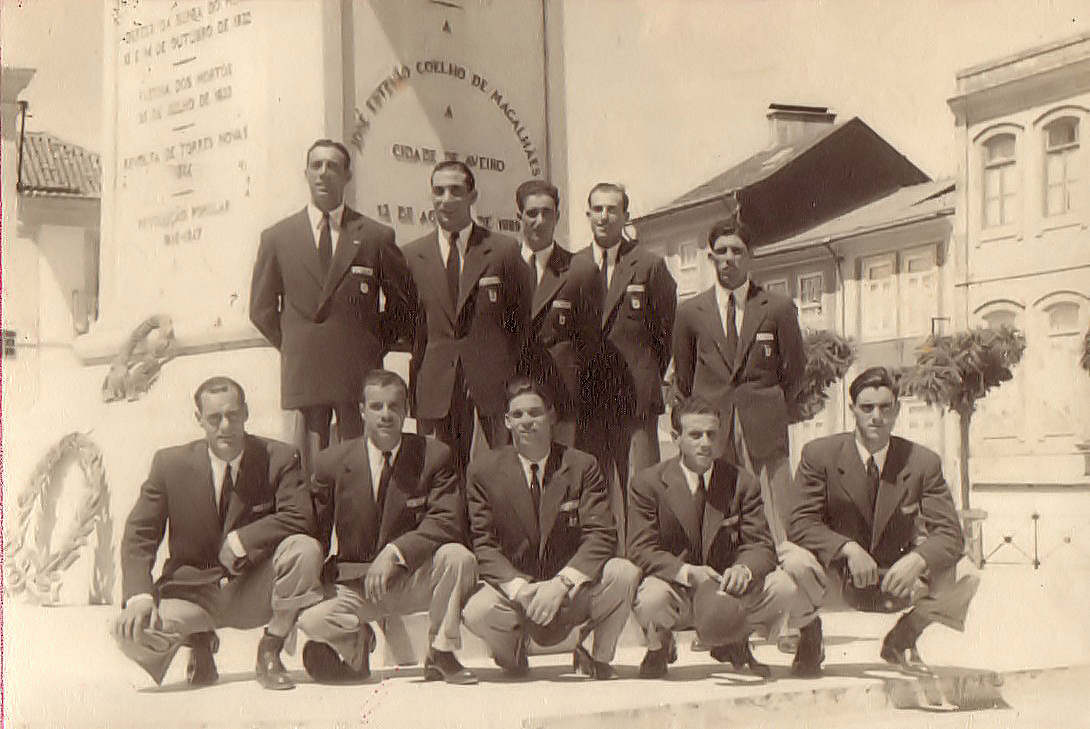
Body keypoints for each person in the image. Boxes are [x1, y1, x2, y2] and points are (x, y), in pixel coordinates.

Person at [113, 377, 324, 690]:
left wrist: (242, 540)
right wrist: (139, 598)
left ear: (246, 413)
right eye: (214, 418)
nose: (225, 426)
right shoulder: (170, 465)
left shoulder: (278, 457)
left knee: (305, 549)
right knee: (130, 633)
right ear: (199, 419)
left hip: (254, 590)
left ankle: (270, 648)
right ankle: (198, 640)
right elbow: (139, 534)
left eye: (233, 415)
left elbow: (302, 517)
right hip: (193, 594)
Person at [787, 367, 980, 677]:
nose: (876, 417)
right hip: (835, 578)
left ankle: (904, 638)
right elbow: (799, 522)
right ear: (852, 410)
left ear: (897, 410)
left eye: (885, 408)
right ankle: (810, 636)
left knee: (966, 573)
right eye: (867, 408)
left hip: (895, 580)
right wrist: (848, 548)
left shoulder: (922, 462)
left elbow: (950, 534)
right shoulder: (819, 455)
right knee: (790, 560)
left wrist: (917, 560)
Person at [295, 370, 478, 685]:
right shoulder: (331, 462)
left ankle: (441, 652)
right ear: (362, 410)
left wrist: (395, 552)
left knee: (459, 557)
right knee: (310, 619)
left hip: (413, 577)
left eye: (394, 406)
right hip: (359, 583)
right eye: (376, 406)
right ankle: (356, 644)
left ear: (406, 410)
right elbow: (316, 532)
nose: (385, 415)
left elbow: (446, 519)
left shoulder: (434, 455)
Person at [250, 139, 417, 482]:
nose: (324, 173)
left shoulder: (375, 236)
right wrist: (296, 343)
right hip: (305, 375)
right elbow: (261, 309)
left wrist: (368, 343)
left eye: (333, 166)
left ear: (347, 176)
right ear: (306, 174)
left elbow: (403, 306)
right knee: (307, 472)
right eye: (316, 165)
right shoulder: (278, 238)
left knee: (359, 469)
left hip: (356, 375)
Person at [463, 378, 640, 679]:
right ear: (506, 421)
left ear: (551, 416)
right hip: (519, 593)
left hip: (570, 591)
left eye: (535, 413)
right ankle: (511, 654)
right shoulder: (483, 471)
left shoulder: (582, 465)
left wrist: (561, 584)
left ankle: (594, 655)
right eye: (517, 414)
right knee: (476, 610)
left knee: (623, 572)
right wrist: (520, 589)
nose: (526, 421)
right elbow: (484, 544)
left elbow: (601, 535)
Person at [628, 396, 799, 679]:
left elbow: (760, 544)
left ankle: (736, 639)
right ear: (676, 438)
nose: (705, 443)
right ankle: (659, 645)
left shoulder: (742, 482)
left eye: (711, 434)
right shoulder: (648, 483)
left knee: (783, 587)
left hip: (728, 589)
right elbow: (640, 548)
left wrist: (744, 569)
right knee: (651, 599)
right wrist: (686, 572)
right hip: (678, 588)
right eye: (695, 435)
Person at [672, 216, 806, 547]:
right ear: (710, 257)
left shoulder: (777, 308)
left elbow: (795, 370)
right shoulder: (690, 312)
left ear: (750, 255)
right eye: (721, 251)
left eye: (737, 251)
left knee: (775, 513)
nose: (728, 258)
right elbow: (684, 378)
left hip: (763, 425)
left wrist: (771, 406)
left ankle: (782, 564)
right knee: (716, 506)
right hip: (713, 423)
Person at [405, 161, 534, 471]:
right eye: (439, 191)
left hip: (490, 389)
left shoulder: (503, 250)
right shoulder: (411, 256)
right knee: (437, 476)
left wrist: (502, 369)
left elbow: (521, 322)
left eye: (456, 191)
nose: (446, 199)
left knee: (492, 475)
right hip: (435, 388)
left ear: (472, 196)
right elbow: (408, 324)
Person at [577, 183, 676, 529]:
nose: (604, 216)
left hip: (635, 397)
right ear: (588, 214)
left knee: (641, 485)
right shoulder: (573, 265)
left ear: (625, 216)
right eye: (598, 209)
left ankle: (643, 551)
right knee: (594, 486)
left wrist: (644, 373)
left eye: (612, 210)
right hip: (588, 397)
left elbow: (665, 334)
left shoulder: (649, 265)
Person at [514, 179, 603, 446]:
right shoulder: (503, 265)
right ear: (519, 217)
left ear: (558, 217)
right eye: (532, 213)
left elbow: (590, 343)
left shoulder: (580, 270)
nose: (540, 221)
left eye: (547, 213)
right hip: (512, 397)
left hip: (561, 398)